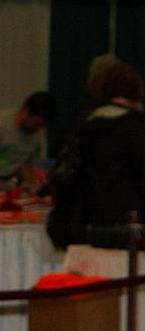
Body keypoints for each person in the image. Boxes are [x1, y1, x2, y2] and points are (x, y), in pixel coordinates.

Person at [48, 62, 145, 249]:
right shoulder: (137, 129)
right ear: (136, 92)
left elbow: (64, 178)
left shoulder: (82, 128)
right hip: (129, 229)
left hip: (85, 227)